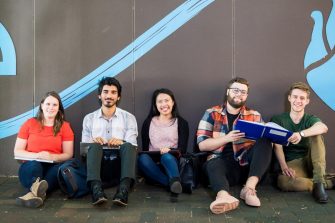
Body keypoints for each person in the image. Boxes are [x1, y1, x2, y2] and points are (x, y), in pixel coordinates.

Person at [196, 77, 272, 214]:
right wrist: (227, 138)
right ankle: (223, 196)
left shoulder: (254, 115)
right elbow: (202, 145)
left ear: (247, 95)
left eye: (243, 92)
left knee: (266, 139)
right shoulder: (211, 113)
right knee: (212, 163)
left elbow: (263, 149)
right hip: (222, 167)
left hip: (246, 168)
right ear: (227, 92)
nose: (239, 94)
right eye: (236, 90)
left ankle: (248, 190)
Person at [271, 82, 334, 203]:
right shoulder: (278, 120)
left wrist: (301, 134)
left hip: (312, 161)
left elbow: (323, 127)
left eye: (302, 98)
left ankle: (319, 182)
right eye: (295, 97)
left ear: (307, 101)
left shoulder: (310, 119)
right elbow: (277, 146)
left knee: (317, 134)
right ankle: (325, 183)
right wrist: (284, 167)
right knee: (283, 182)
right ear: (289, 98)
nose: (298, 101)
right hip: (294, 163)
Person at [82, 77, 138, 207]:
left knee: (128, 146)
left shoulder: (129, 117)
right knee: (93, 146)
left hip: (120, 166)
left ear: (118, 97)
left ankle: (123, 191)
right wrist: (92, 142)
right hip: (98, 167)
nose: (109, 95)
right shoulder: (89, 118)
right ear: (99, 95)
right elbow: (83, 150)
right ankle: (96, 191)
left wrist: (121, 142)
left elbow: (133, 147)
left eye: (113, 92)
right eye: (105, 92)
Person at [14, 91, 74, 208]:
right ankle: (38, 189)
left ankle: (32, 194)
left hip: (53, 166)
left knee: (58, 170)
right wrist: (37, 155)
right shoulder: (29, 123)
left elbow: (68, 154)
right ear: (42, 105)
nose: (51, 107)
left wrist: (52, 157)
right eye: (48, 104)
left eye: (54, 105)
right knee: (35, 166)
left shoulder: (65, 126)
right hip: (31, 165)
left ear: (59, 108)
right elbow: (17, 151)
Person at [138, 88, 189, 201]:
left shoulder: (181, 123)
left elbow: (183, 149)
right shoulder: (148, 122)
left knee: (166, 156)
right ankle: (173, 184)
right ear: (155, 105)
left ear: (173, 102)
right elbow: (146, 147)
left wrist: (169, 149)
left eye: (167, 100)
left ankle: (173, 181)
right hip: (153, 164)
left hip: (172, 160)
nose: (164, 104)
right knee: (142, 158)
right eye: (160, 101)